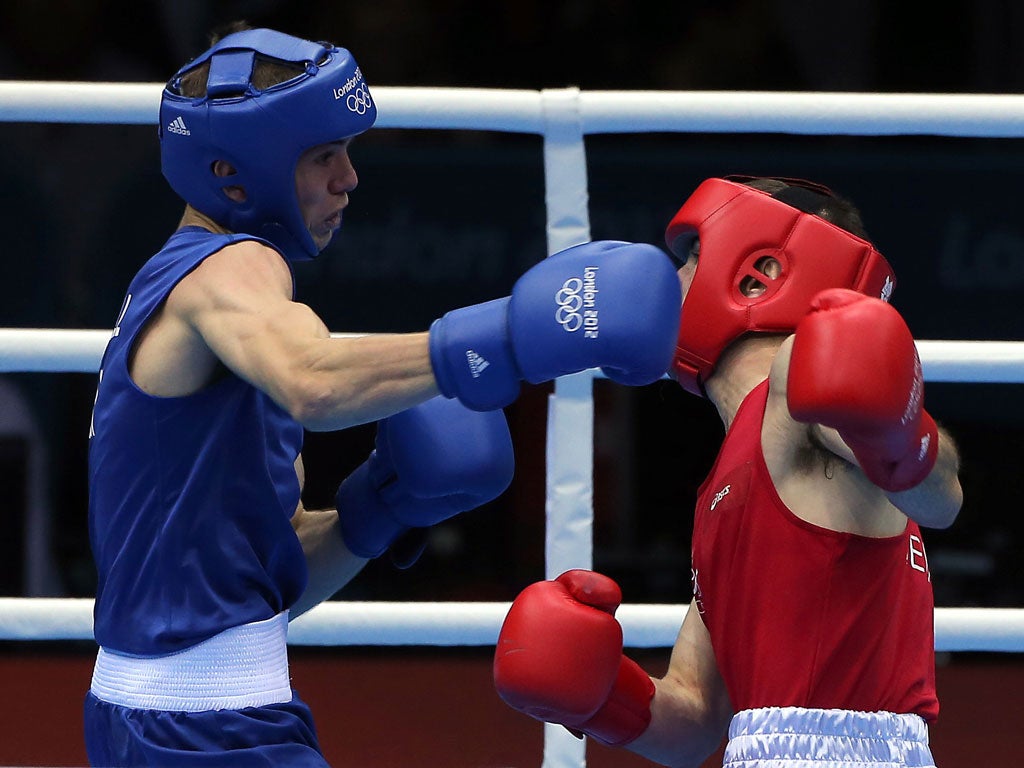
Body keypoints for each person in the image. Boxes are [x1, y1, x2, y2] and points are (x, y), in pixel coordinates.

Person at [83, 25, 683, 767]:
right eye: (322, 157)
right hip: (210, 729)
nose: (349, 180)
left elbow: (266, 587)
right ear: (236, 177)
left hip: (167, 714)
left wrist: (381, 508)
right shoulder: (229, 269)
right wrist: (507, 339)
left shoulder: (174, 282)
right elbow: (313, 380)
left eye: (348, 151)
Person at [492, 175, 964, 767]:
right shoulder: (726, 477)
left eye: (690, 256)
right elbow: (693, 721)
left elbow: (941, 497)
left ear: (758, 273)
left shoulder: (801, 383)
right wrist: (600, 695)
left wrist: (903, 432)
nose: (671, 280)